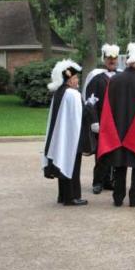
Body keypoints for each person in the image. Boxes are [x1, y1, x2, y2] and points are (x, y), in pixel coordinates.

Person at [97, 43, 135, 207]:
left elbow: (107, 106)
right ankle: (134, 196)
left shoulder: (114, 80)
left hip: (118, 130)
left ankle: (118, 197)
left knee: (120, 165)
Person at [42, 59, 89, 206]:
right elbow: (79, 116)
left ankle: (63, 195)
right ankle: (72, 196)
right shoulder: (73, 94)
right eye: (75, 78)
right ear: (68, 80)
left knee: (62, 161)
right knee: (72, 165)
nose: (77, 81)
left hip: (60, 136)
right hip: (71, 137)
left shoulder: (59, 93)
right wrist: (91, 107)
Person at [83, 43, 121, 194]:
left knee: (115, 153)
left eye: (114, 58)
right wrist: (94, 121)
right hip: (102, 121)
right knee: (102, 153)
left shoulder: (121, 77)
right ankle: (98, 181)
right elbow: (90, 102)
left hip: (118, 122)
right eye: (109, 58)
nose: (112, 61)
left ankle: (110, 181)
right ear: (104, 59)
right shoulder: (97, 79)